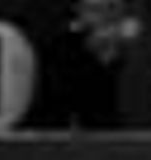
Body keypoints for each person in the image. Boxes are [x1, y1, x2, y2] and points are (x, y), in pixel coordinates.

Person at [25, 0, 140, 128]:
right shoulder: (63, 45)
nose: (104, 14)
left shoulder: (138, 42)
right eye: (94, 9)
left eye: (110, 7)